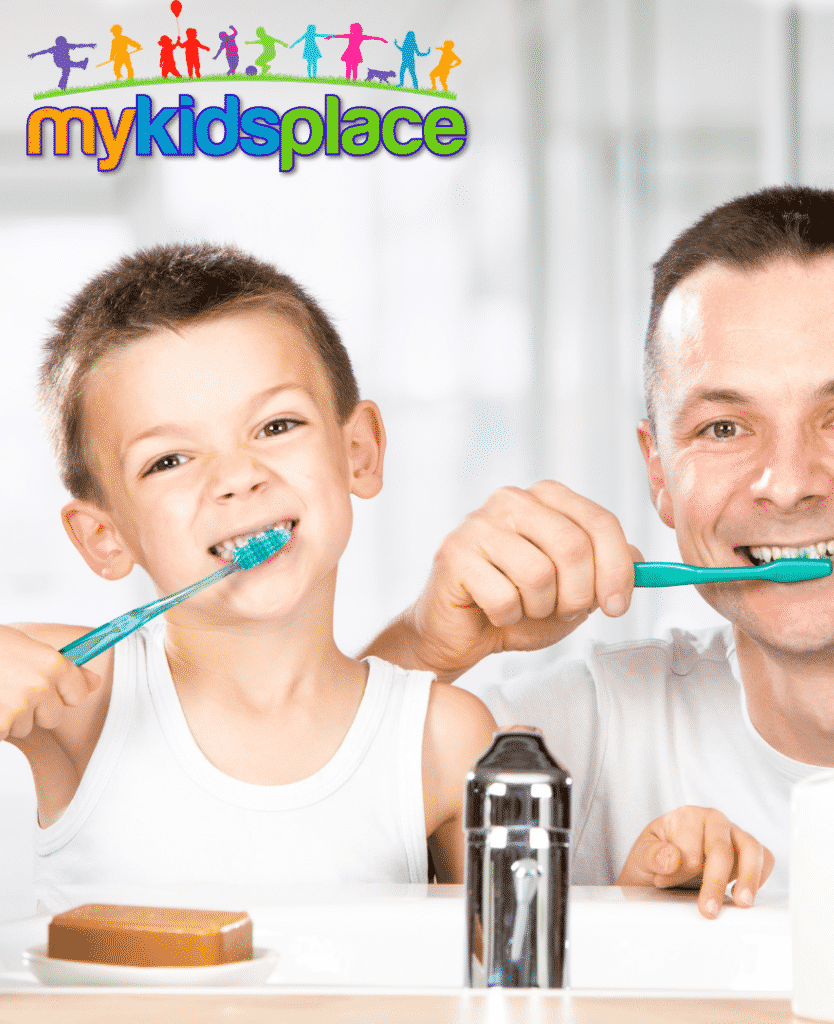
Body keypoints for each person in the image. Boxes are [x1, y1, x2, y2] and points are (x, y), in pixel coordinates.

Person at [363, 186, 834, 918]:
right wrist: (422, 647)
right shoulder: (565, 741)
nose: (788, 485)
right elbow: (284, 857)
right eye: (723, 429)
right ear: (660, 475)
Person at [1, 244, 495, 911]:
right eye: (169, 460)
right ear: (104, 537)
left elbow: (507, 987)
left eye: (277, 425)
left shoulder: (445, 738)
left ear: (359, 452)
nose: (237, 477)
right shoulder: (73, 700)